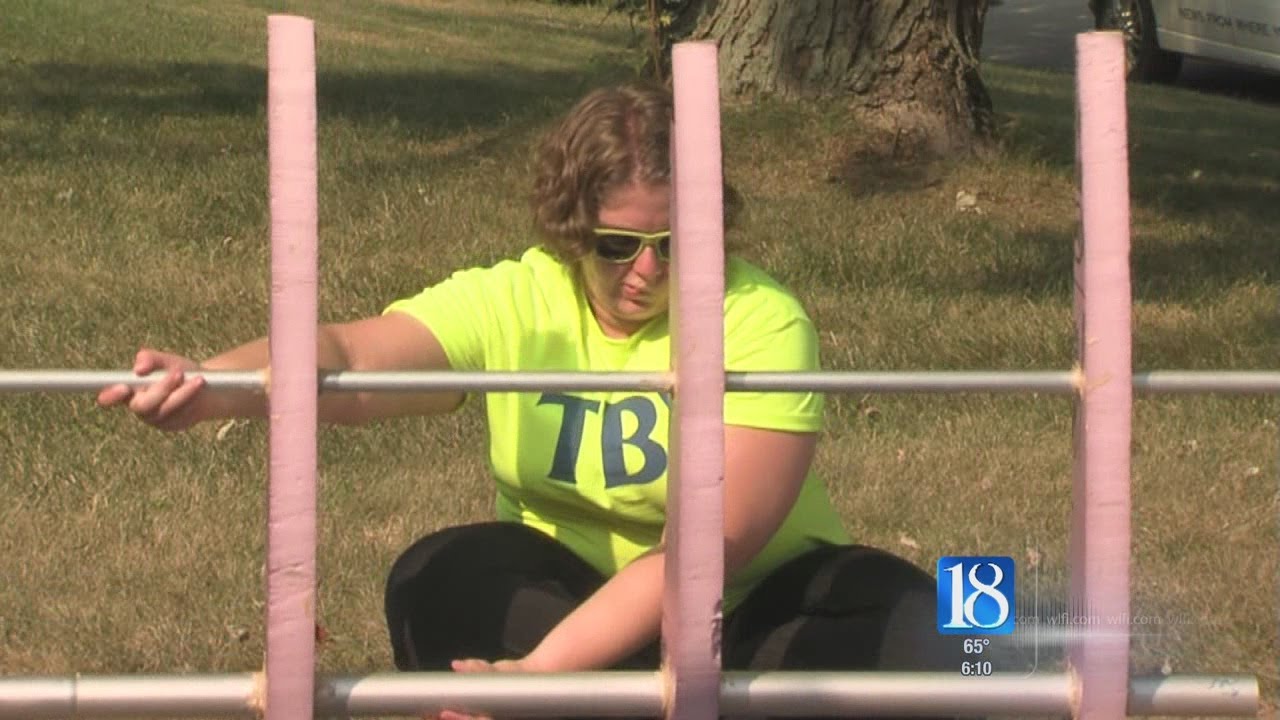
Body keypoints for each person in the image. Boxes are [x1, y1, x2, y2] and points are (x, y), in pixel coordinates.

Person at [99, 82, 962, 718]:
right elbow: (350, 355)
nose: (649, 270)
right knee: (436, 576)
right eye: (618, 244)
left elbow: (710, 549)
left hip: (751, 612)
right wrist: (213, 385)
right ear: (569, 228)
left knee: (936, 635)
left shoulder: (762, 318)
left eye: (675, 242)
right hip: (571, 605)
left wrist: (545, 673)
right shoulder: (518, 296)